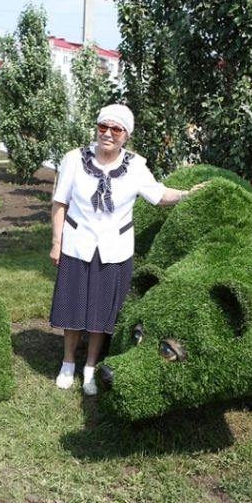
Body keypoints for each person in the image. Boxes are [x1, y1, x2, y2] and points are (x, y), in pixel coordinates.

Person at [49, 104, 203, 396]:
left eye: (116, 129)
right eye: (102, 127)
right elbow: (60, 203)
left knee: (100, 312)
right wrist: (57, 242)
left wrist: (186, 194)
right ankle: (68, 362)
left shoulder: (135, 167)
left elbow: (159, 196)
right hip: (77, 244)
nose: (107, 134)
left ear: (126, 135)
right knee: (73, 308)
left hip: (114, 249)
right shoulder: (73, 159)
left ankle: (90, 367)